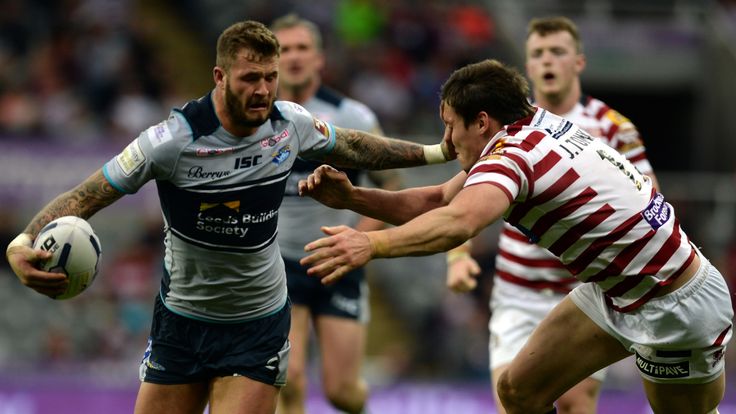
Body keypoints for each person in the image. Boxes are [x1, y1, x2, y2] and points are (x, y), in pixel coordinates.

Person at [4, 20, 453, 414]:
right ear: (219, 76)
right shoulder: (170, 142)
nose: (263, 89)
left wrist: (436, 152)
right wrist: (21, 241)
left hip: (256, 323)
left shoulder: (289, 124)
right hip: (182, 323)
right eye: (250, 78)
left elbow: (358, 146)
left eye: (270, 77)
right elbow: (86, 196)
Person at [297, 59, 733, 414]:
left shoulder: (512, 158)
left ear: (482, 121)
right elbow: (437, 201)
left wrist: (370, 244)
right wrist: (353, 198)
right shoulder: (532, 127)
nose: (447, 142)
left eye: (451, 126)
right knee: (519, 392)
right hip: (615, 290)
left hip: (674, 302)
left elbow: (457, 224)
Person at [444, 16, 660, 414]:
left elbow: (649, 198)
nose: (548, 61)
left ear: (578, 62)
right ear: (527, 67)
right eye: (539, 53)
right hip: (517, 292)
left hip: (582, 292)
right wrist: (458, 258)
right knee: (513, 402)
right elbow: (466, 200)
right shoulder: (503, 126)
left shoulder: (612, 127)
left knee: (577, 401)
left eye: (557, 52)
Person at [270, 14, 400, 414]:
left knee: (342, 392)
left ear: (319, 58)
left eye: (302, 48)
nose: (294, 57)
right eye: (284, 49)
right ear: (272, 60)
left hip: (337, 261)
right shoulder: (258, 119)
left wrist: (359, 239)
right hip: (279, 264)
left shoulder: (354, 118)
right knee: (286, 379)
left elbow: (390, 185)